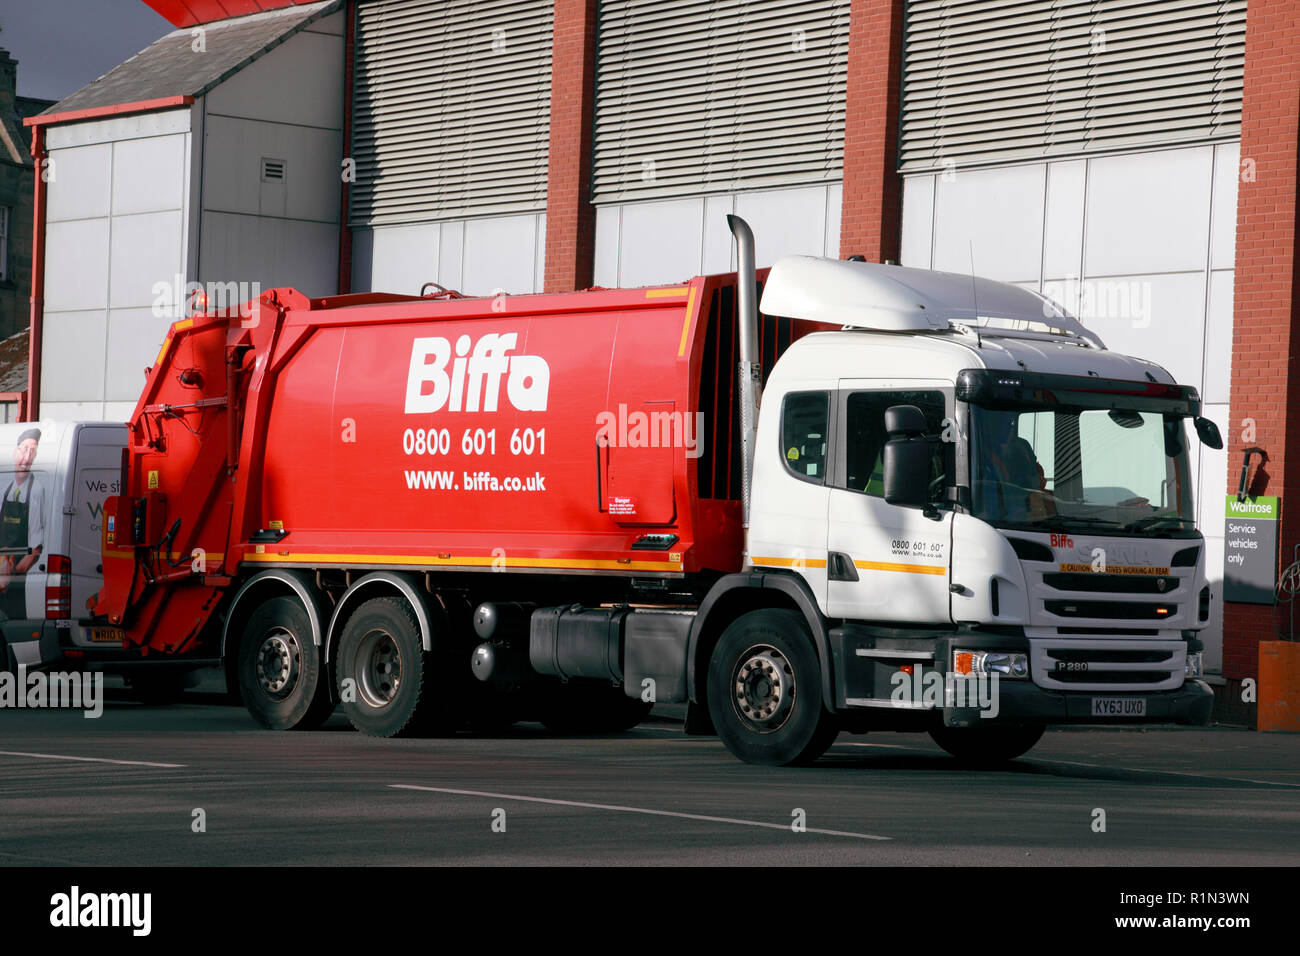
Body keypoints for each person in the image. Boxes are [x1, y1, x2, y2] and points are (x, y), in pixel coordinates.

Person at [0, 428, 44, 620]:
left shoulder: (36, 491)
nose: (26, 458)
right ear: (14, 452)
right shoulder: (4, 490)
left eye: (32, 451)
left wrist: (11, 577)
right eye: (23, 449)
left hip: (18, 581)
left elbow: (35, 549)